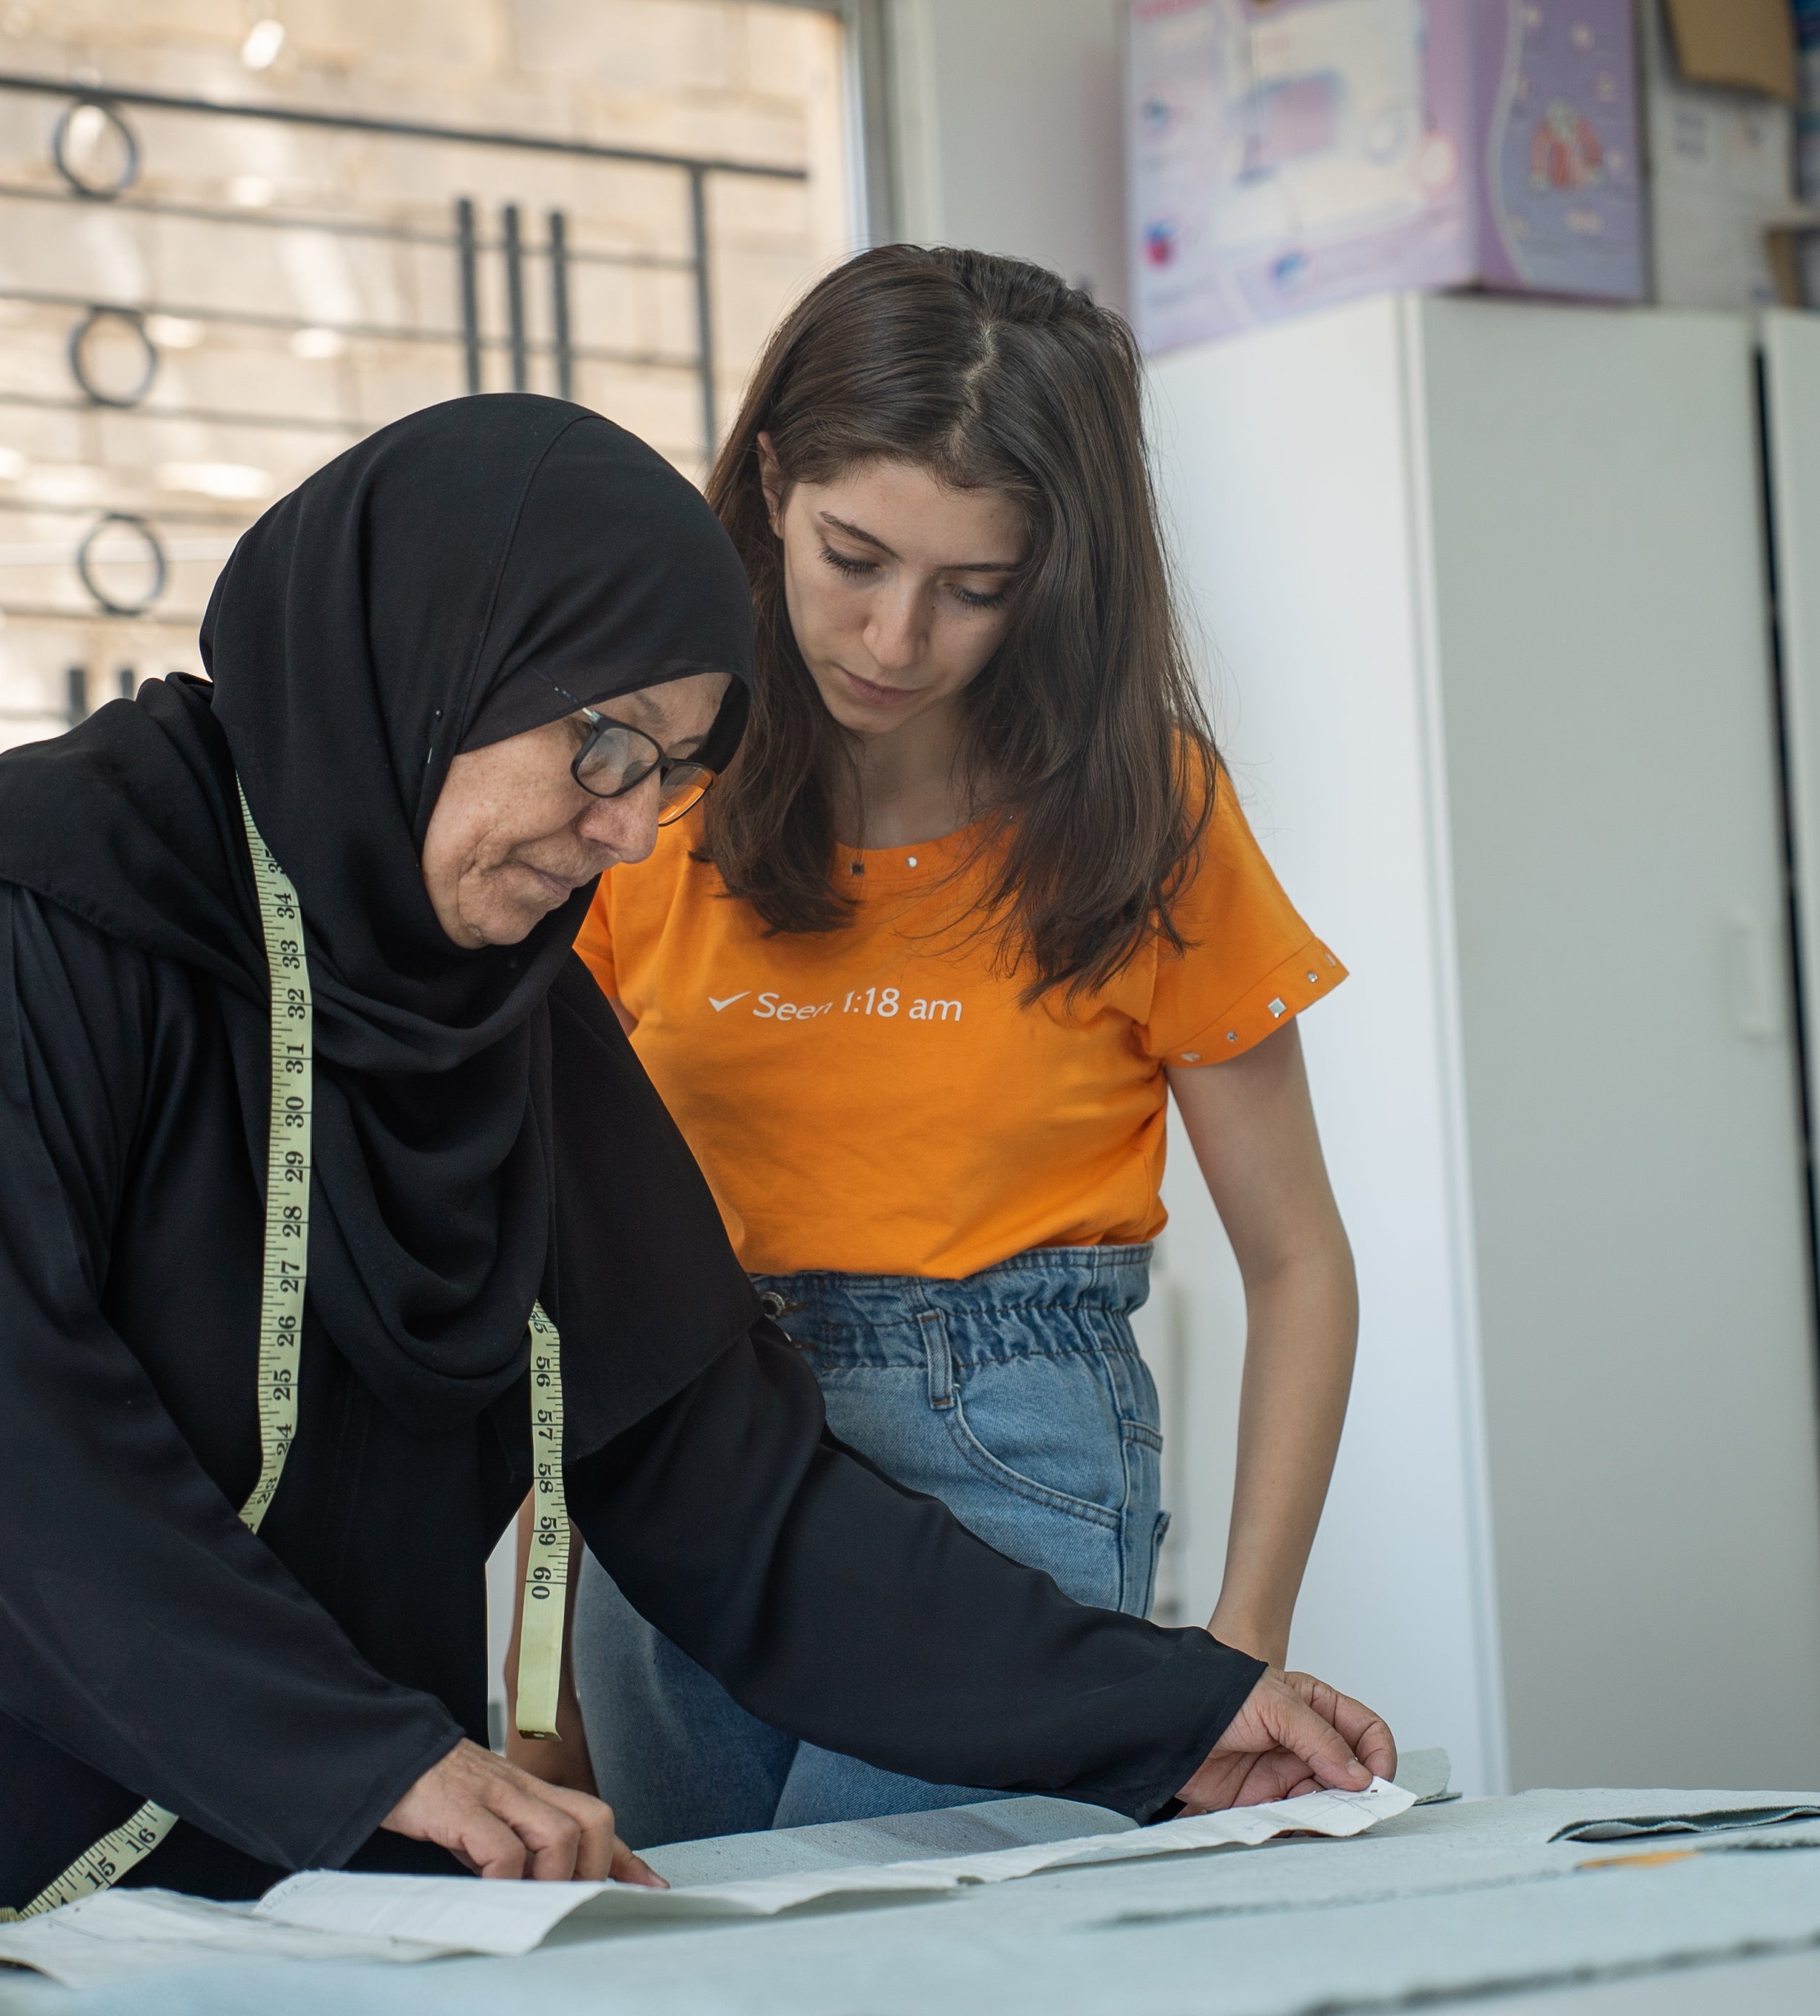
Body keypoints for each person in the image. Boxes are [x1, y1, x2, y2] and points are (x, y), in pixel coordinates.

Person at [0, 396, 1390, 1939]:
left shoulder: (501, 1016)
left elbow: (734, 1499)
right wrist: (374, 1755)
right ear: (441, 649)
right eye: (598, 744)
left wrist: (1165, 1713)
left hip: (252, 1873)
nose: (624, 827)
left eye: (670, 772)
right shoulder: (27, 910)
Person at [522, 250, 1362, 1845]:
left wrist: (1229, 1660)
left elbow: (1299, 1264)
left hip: (1006, 1456)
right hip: (685, 1454)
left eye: (974, 587)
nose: (894, 637)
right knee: (711, 1974)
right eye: (853, 557)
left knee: (909, 1965)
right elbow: (550, 1272)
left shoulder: (1144, 819)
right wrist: (538, 1699)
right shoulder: (646, 805)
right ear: (769, 481)